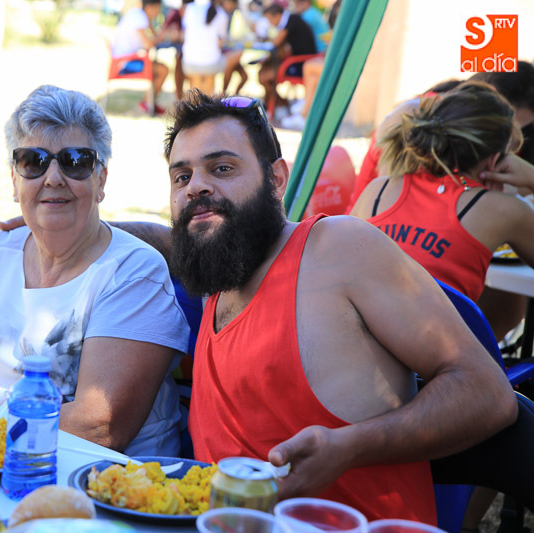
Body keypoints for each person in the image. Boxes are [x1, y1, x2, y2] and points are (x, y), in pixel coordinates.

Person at [164, 90, 516, 521]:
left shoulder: (339, 249)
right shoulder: (218, 270)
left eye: (222, 168)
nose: (196, 187)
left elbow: (489, 394)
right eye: (181, 176)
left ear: (276, 179)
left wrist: (349, 447)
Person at [0, 85, 190, 457]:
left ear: (100, 179)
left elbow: (96, 427)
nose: (53, 178)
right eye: (33, 161)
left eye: (75, 161)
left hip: (92, 478)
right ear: (14, 180)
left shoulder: (132, 274)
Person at [349, 82, 534, 303]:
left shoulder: (377, 190)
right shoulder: (504, 210)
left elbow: (341, 258)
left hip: (358, 320)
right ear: (496, 160)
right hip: (433, 324)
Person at [257, 2, 317, 115]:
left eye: (270, 20)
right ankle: (281, 105)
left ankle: (280, 106)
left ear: (278, 16)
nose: (270, 23)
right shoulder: (290, 21)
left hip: (301, 63)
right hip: (297, 60)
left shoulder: (291, 21)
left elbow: (276, 42)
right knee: (262, 72)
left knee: (263, 77)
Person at [110, 0, 170, 114]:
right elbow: (148, 44)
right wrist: (161, 37)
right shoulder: (139, 17)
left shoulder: (138, 14)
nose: (158, 12)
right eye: (158, 8)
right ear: (150, 7)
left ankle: (149, 102)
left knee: (159, 68)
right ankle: (147, 104)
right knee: (163, 70)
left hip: (123, 60)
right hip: (124, 65)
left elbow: (151, 37)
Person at [180, 0, 230, 95]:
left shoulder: (189, 8)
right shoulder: (221, 13)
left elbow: (184, 32)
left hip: (190, 61)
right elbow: (220, 42)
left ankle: (195, 102)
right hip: (212, 62)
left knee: (195, 93)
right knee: (208, 94)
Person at [163, 0, 194, 100]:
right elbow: (165, 30)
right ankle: (179, 96)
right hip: (181, 51)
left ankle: (192, 98)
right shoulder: (175, 14)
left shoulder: (197, 15)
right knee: (179, 61)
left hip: (196, 53)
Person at [221, 0, 249, 94]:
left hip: (229, 47)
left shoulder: (234, 12)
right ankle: (223, 94)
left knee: (244, 76)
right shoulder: (220, 14)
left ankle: (233, 96)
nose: (230, 6)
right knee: (231, 65)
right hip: (221, 51)